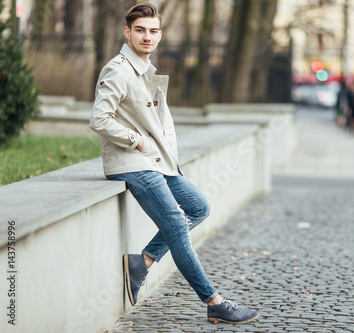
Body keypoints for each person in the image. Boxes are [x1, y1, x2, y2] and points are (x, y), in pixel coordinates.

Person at [89, 3, 258, 324]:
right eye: (140, 30)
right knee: (178, 226)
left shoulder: (145, 69)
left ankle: (143, 262)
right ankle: (214, 301)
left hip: (157, 163)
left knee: (198, 207)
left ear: (160, 35)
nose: (147, 37)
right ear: (127, 33)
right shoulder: (118, 69)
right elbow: (99, 118)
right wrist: (135, 140)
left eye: (153, 31)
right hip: (133, 162)